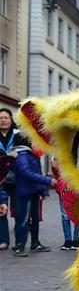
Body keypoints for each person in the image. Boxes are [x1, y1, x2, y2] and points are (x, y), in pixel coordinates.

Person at [10, 142, 55, 256]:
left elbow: (36, 172)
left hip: (33, 191)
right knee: (23, 220)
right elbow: (27, 173)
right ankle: (19, 246)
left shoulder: (29, 154)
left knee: (35, 219)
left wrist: (43, 191)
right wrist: (47, 180)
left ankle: (35, 244)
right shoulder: (22, 155)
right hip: (24, 193)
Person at [0, 107, 26, 251]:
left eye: (6, 118)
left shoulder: (19, 135)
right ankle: (3, 240)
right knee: (1, 209)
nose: (3, 120)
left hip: (18, 178)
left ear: (11, 120)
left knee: (19, 211)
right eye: (0, 118)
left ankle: (19, 241)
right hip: (0, 178)